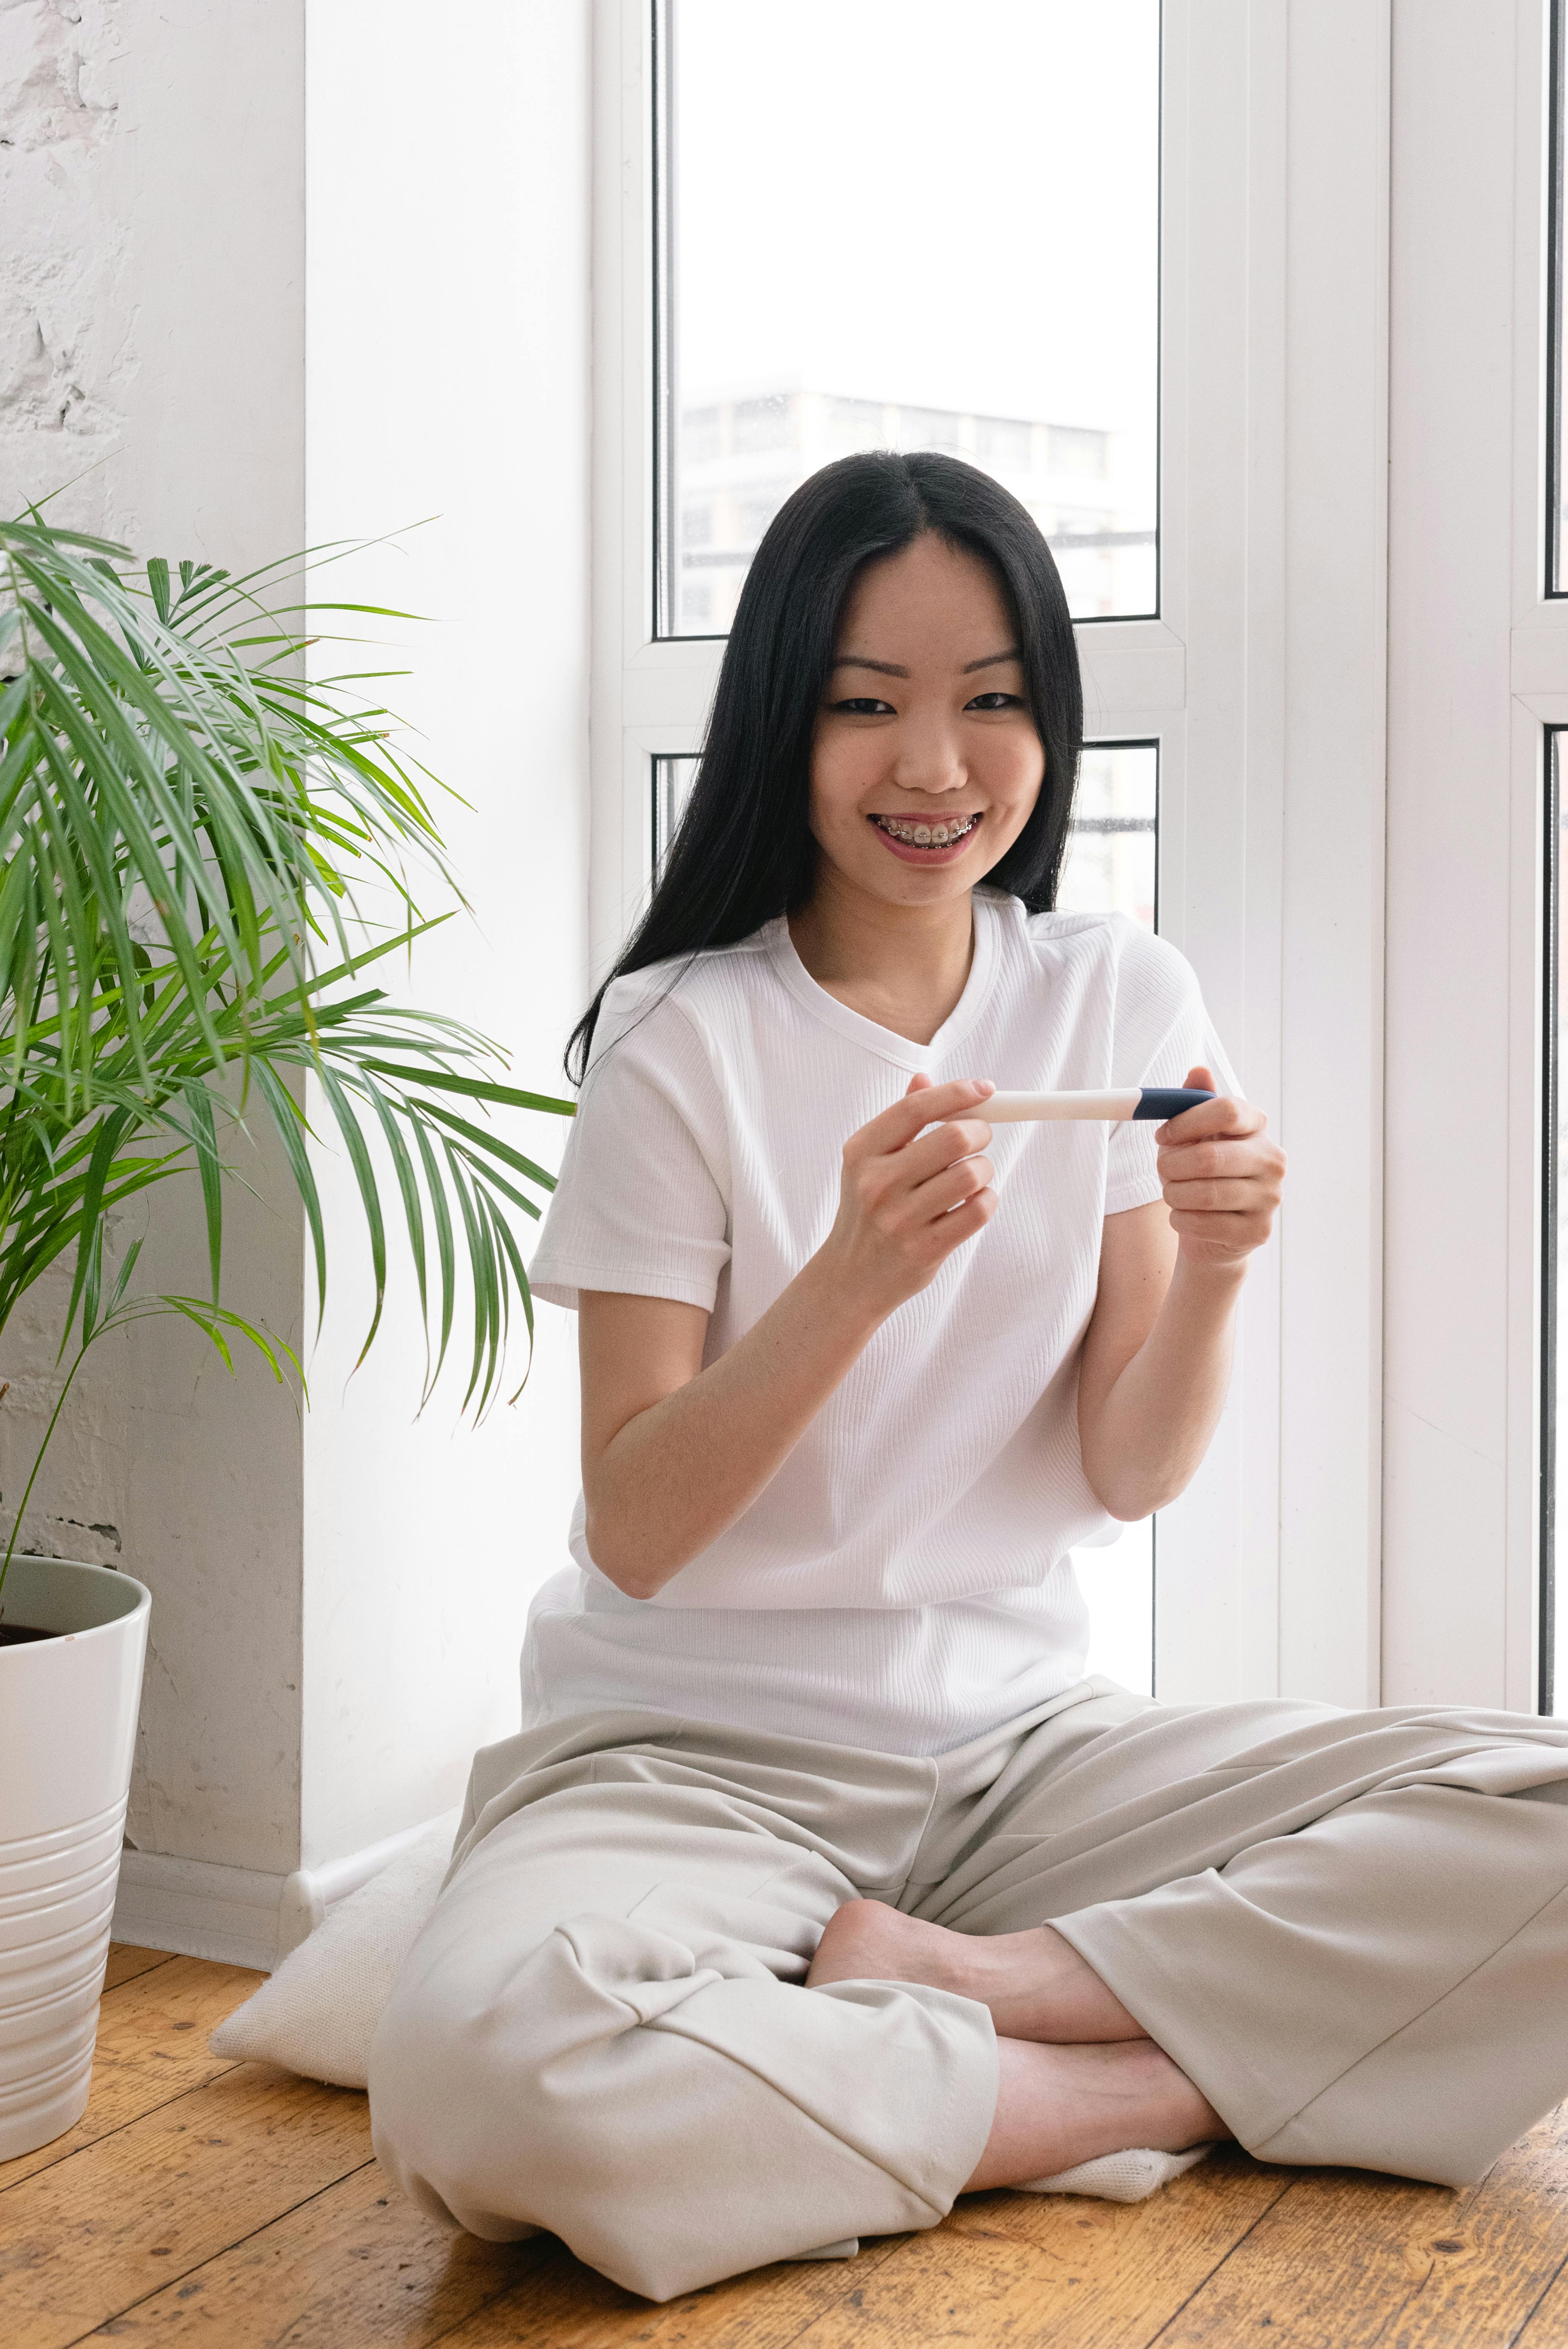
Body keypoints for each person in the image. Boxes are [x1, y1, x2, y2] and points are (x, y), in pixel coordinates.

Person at [370, 453, 1568, 2303]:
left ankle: (986, 1989)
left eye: (990, 699)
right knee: (480, 2080)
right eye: (867, 704)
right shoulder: (675, 1040)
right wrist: (850, 1278)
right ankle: (1134, 2083)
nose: (935, 765)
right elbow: (637, 1525)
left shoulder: (1110, 990)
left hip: (1021, 1752)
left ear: (1047, 721)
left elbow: (1123, 1465)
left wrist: (1222, 1266)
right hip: (689, 1759)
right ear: (783, 718)